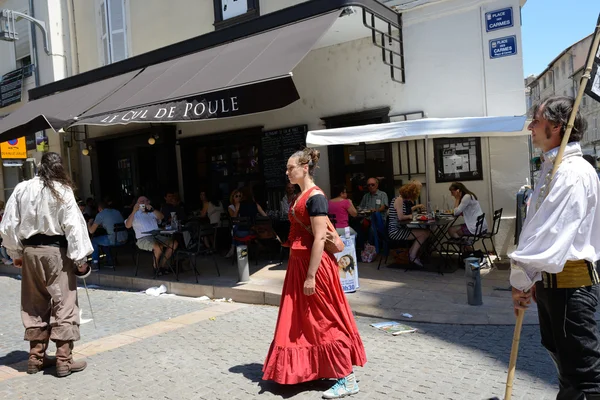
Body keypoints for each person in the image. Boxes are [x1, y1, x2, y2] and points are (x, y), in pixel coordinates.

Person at [510, 96, 600, 399]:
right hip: (553, 285)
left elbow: (550, 235)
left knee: (584, 378)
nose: (531, 127)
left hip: (570, 287)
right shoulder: (554, 167)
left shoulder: (572, 171)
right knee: (567, 371)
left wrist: (521, 279)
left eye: (536, 120)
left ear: (557, 126)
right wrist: (534, 280)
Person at [263, 148, 366, 398]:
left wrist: (310, 276)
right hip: (300, 266)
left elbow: (320, 238)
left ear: (305, 167)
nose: (287, 172)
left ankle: (348, 378)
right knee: (307, 320)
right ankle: (314, 369)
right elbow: (303, 234)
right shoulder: (300, 197)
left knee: (326, 319)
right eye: (287, 168)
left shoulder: (315, 197)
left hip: (314, 269)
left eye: (291, 167)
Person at [0, 152, 93, 378]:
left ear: (40, 168)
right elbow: (74, 227)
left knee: (34, 303)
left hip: (30, 252)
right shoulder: (63, 190)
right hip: (56, 252)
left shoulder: (22, 188)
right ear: (59, 168)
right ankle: (63, 360)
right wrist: (81, 260)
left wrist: (15, 253)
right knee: (65, 302)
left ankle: (35, 358)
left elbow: (8, 223)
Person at [125, 196, 178, 275]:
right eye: (141, 201)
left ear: (149, 202)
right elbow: (127, 225)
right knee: (158, 246)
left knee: (174, 243)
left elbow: (162, 217)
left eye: (145, 201)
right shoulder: (135, 214)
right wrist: (133, 211)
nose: (143, 202)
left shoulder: (152, 212)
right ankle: (155, 268)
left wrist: (152, 210)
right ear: (137, 204)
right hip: (143, 238)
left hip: (157, 235)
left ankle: (162, 265)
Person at [388, 181, 429, 267]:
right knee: (424, 233)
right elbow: (400, 217)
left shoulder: (399, 199)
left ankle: (411, 253)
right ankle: (412, 255)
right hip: (396, 231)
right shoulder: (399, 200)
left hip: (399, 228)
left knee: (425, 232)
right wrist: (411, 216)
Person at [87, 199, 128, 269]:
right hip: (125, 238)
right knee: (103, 240)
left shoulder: (100, 214)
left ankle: (95, 263)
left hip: (114, 240)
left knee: (93, 240)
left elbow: (91, 231)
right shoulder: (117, 211)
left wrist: (89, 223)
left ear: (99, 208)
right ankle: (110, 261)